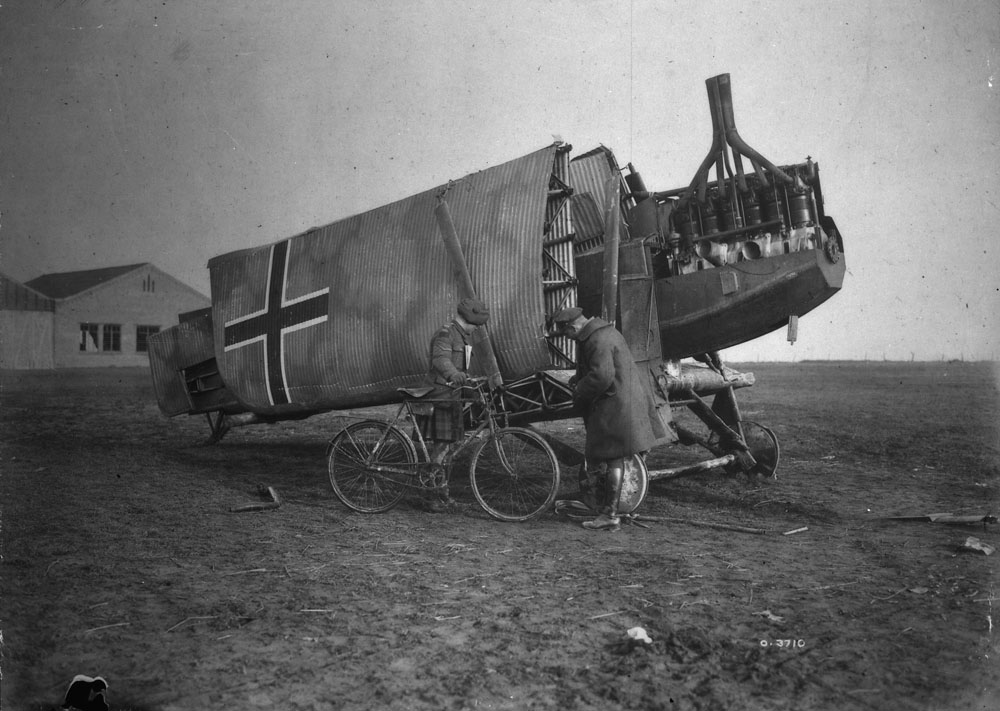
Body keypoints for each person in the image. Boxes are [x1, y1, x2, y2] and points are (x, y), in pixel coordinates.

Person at [552, 306, 667, 530]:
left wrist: (580, 389)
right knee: (617, 455)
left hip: (617, 404)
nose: (567, 337)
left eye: (566, 333)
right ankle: (614, 509)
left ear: (573, 327)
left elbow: (602, 376)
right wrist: (578, 378)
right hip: (625, 399)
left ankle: (610, 514)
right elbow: (598, 367)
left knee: (613, 455)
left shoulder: (597, 339)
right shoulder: (603, 332)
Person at [418, 297, 490, 509]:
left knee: (449, 449)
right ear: (468, 320)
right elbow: (440, 360)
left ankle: (442, 492)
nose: (476, 329)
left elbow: (461, 369)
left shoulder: (461, 336)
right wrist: (454, 374)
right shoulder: (446, 333)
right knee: (440, 448)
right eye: (476, 325)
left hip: (453, 397)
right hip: (440, 397)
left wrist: (471, 385)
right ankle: (430, 496)